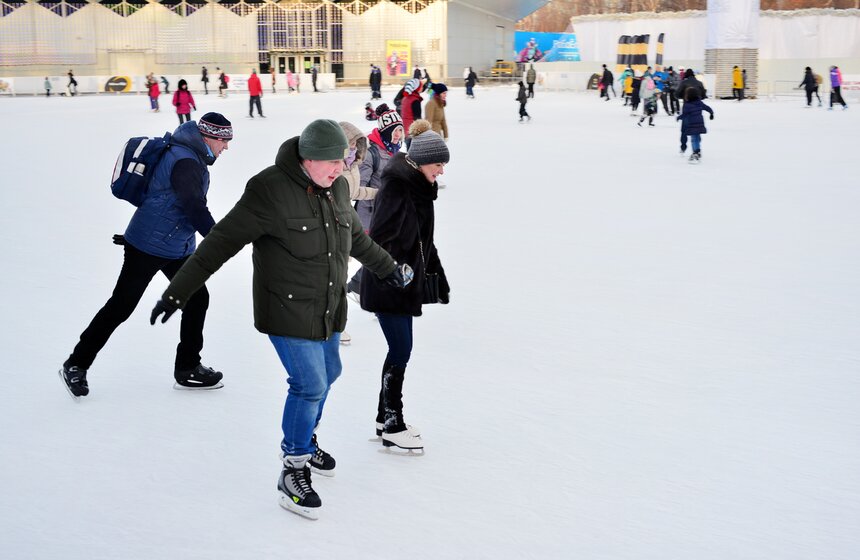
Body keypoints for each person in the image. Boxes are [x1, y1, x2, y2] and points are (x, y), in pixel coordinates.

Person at [149, 119, 407, 520]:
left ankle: (306, 437)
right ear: (307, 159)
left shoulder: (338, 187)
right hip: (285, 308)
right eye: (332, 162)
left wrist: (388, 268)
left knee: (331, 372)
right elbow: (220, 243)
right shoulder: (268, 189)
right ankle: (293, 468)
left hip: (328, 305)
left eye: (343, 160)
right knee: (309, 383)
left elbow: (355, 237)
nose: (340, 169)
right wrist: (177, 291)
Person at [58, 113, 233, 399]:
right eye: (223, 141)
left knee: (197, 298)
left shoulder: (186, 154)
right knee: (121, 306)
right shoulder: (186, 161)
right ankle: (76, 364)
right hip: (149, 246)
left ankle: (188, 367)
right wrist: (219, 240)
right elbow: (193, 206)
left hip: (174, 244)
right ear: (207, 137)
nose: (225, 147)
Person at [359, 127, 451, 451]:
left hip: (405, 283)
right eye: (438, 165)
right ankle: (392, 423)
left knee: (400, 350)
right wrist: (398, 272)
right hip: (390, 283)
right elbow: (381, 239)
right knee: (401, 351)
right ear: (423, 161)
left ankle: (384, 418)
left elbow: (425, 240)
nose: (441, 171)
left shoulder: (420, 188)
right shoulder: (398, 187)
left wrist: (436, 276)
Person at [346, 105, 404, 297]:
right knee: (380, 253)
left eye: (400, 130)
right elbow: (358, 188)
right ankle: (357, 287)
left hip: (389, 213)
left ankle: (366, 288)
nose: (398, 135)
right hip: (371, 214)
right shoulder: (372, 154)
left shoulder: (394, 152)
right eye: (394, 131)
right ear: (385, 131)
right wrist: (382, 195)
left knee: (386, 252)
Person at [677, 88, 714, 162]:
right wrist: (711, 113)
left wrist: (679, 117)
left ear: (687, 96)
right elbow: (707, 108)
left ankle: (695, 153)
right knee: (697, 137)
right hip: (700, 123)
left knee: (694, 139)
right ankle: (698, 151)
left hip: (692, 124)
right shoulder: (699, 102)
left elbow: (685, 114)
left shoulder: (687, 105)